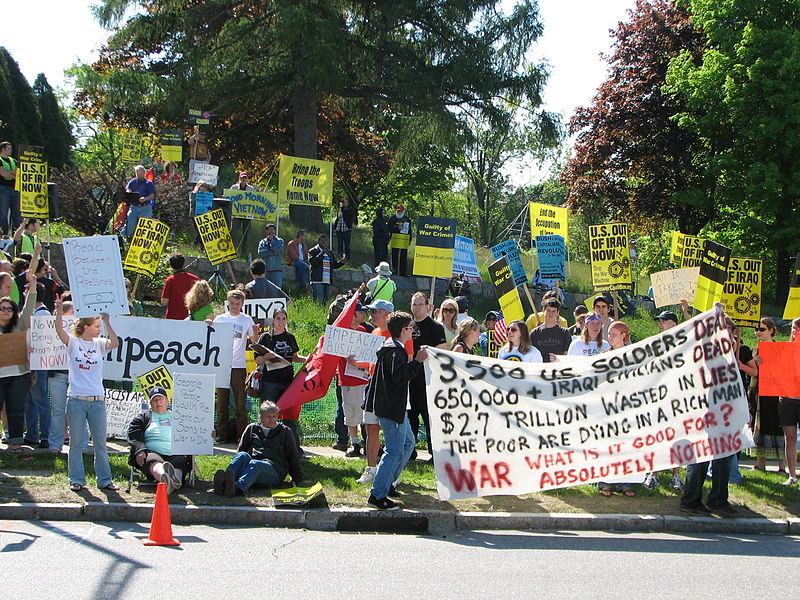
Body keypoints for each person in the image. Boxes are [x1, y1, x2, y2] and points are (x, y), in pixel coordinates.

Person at [362, 311, 429, 509]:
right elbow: (400, 377)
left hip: (396, 407)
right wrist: (417, 361)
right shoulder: (395, 352)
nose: (413, 331)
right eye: (410, 328)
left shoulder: (390, 347)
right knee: (394, 451)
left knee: (408, 443)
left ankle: (388, 482)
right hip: (393, 409)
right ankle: (378, 494)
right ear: (403, 330)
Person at [54, 299, 120, 492]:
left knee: (100, 443)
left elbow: (115, 343)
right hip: (76, 399)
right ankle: (76, 479)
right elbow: (59, 332)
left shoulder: (100, 344)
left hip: (97, 400)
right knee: (76, 443)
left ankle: (105, 480)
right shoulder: (74, 343)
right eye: (97, 326)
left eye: (100, 326)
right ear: (85, 327)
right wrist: (59, 312)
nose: (99, 329)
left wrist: (108, 322)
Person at [213, 400, 308, 496]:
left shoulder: (285, 432)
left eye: (274, 416)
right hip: (252, 465)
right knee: (242, 455)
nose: (271, 419)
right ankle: (224, 483)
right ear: (261, 417)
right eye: (268, 416)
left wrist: (298, 479)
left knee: (256, 464)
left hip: (274, 470)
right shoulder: (252, 428)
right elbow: (241, 450)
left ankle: (236, 488)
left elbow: (293, 457)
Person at [252, 308, 306, 456]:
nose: (281, 322)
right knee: (267, 415)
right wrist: (266, 357)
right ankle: (263, 448)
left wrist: (308, 359)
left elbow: (294, 357)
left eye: (283, 318)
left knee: (290, 417)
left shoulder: (290, 337)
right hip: (270, 382)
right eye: (278, 318)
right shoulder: (266, 338)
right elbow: (257, 359)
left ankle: (294, 450)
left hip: (288, 382)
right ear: (273, 320)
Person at [642, 310, 684, 492]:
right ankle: (654, 473)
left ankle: (676, 475)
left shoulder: (683, 344)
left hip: (676, 397)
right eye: (659, 321)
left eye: (664, 321)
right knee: (655, 437)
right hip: (657, 398)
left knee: (677, 437)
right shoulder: (655, 344)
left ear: (673, 324)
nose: (660, 324)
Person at [597, 321, 637, 497]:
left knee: (625, 445)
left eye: (613, 334)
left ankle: (625, 482)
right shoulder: (603, 356)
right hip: (607, 406)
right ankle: (605, 481)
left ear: (624, 336)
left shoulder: (634, 356)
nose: (609, 337)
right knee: (607, 444)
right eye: (609, 334)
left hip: (626, 406)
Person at [127, 386, 191, 495]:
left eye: (160, 399)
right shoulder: (143, 418)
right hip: (152, 451)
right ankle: (165, 478)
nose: (158, 402)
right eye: (154, 400)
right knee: (152, 460)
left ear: (167, 400)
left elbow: (192, 431)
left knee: (180, 462)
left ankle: (172, 480)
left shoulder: (180, 417)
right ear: (150, 403)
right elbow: (134, 434)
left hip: (175, 451)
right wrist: (140, 449)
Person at [0, 263, 37, 451]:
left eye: (9, 308)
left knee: (16, 410)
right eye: (2, 308)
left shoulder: (20, 324)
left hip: (18, 375)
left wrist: (33, 287)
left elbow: (30, 306)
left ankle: (15, 443)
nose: (6, 311)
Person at [213, 290, 258, 443]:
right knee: (222, 402)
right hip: (222, 365)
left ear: (242, 304)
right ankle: (222, 434)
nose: (234, 306)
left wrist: (256, 333)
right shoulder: (220, 319)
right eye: (232, 303)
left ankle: (242, 435)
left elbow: (254, 341)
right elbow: (211, 337)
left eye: (237, 304)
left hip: (239, 366)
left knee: (240, 403)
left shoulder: (246, 320)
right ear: (227, 303)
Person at [408, 292, 447, 459]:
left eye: (420, 304)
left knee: (429, 418)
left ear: (428, 306)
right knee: (410, 418)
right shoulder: (408, 326)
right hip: (410, 379)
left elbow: (443, 353)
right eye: (414, 305)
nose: (417, 308)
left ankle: (434, 452)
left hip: (428, 381)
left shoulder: (435, 327)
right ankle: (410, 451)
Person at [748, 317, 787, 475]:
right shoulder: (755, 349)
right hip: (759, 391)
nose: (758, 332)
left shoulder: (779, 348)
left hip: (776, 392)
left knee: (778, 427)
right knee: (760, 425)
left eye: (762, 329)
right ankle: (760, 464)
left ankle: (782, 467)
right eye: (756, 329)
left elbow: (784, 370)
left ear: (771, 330)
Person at [24, 283, 52, 448]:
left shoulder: (43, 315)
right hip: (29, 362)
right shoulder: (33, 313)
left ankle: (45, 436)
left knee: (40, 399)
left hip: (39, 363)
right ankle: (32, 434)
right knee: (30, 400)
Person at [47, 301, 75, 453]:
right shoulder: (48, 329)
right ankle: (55, 444)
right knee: (58, 409)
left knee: (76, 410)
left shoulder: (81, 330)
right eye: (73, 311)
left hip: (76, 375)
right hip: (56, 373)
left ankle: (79, 445)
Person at [160, 253, 199, 320]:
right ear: (184, 264)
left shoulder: (170, 280)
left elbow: (164, 302)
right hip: (192, 317)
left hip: (172, 317)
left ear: (171, 265)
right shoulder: (195, 279)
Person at [308, 234, 344, 305]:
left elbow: (334, 265)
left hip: (327, 280)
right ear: (318, 241)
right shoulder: (313, 251)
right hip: (318, 280)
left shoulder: (329, 252)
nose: (324, 242)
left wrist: (341, 262)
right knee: (318, 301)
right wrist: (322, 253)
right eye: (322, 241)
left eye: (325, 241)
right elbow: (312, 262)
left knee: (326, 302)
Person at [125, 165, 156, 238]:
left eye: (139, 173)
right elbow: (128, 190)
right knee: (131, 223)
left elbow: (152, 196)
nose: (138, 174)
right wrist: (129, 193)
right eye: (136, 173)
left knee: (144, 226)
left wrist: (144, 199)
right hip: (134, 206)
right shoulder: (132, 182)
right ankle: (129, 238)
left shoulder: (149, 183)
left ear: (144, 173)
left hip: (145, 207)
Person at [0, 141, 20, 236]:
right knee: (3, 213)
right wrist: (12, 173)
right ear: (3, 149)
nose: (11, 150)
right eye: (9, 148)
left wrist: (10, 173)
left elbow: (18, 174)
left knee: (16, 214)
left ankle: (16, 235)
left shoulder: (14, 161)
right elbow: (3, 174)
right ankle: (4, 234)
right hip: (3, 189)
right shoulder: (0, 160)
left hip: (14, 189)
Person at [257, 223, 285, 288]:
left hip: (276, 270)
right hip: (266, 270)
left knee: (277, 289)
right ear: (266, 231)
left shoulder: (280, 241)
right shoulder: (262, 242)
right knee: (266, 288)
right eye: (269, 229)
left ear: (275, 231)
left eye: (272, 229)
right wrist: (273, 253)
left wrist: (272, 241)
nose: (271, 231)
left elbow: (278, 250)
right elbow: (261, 253)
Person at [387, 204, 412, 276]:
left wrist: (410, 239)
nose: (399, 213)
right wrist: (397, 228)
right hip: (395, 240)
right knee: (394, 256)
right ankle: (394, 271)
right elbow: (389, 228)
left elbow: (409, 230)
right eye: (398, 211)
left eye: (401, 211)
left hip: (404, 241)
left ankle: (403, 272)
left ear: (403, 211)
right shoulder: (392, 218)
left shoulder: (407, 219)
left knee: (403, 256)